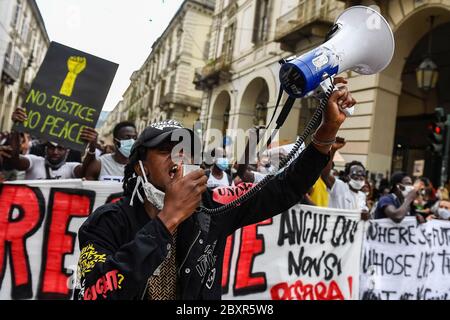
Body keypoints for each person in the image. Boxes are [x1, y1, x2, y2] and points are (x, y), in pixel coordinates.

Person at [73, 78, 356, 300]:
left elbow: (283, 189)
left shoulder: (213, 207)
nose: (177, 157)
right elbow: (96, 292)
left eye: (185, 150)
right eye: (163, 151)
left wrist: (326, 132)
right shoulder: (106, 223)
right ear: (139, 167)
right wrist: (166, 220)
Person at [4, 107, 98, 180]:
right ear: (45, 148)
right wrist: (16, 128)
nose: (55, 152)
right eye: (51, 147)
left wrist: (92, 147)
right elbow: (14, 160)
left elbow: (86, 171)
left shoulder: (71, 168)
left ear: (67, 151)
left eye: (60, 149)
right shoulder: (34, 162)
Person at [321, 138, 368, 212]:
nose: (360, 177)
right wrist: (333, 151)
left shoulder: (362, 196)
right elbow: (325, 175)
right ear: (347, 176)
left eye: (362, 175)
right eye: (355, 174)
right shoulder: (339, 186)